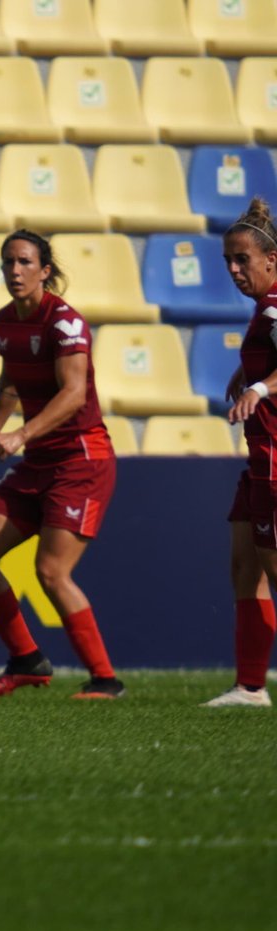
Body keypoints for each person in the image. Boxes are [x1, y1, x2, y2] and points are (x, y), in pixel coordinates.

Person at [0, 230, 124, 699]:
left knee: (51, 571)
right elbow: (10, 382)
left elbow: (73, 395)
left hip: (80, 459)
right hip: (38, 461)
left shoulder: (66, 322)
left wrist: (20, 435)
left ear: (45, 270)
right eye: (8, 262)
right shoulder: (4, 321)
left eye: (25, 262)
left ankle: (106, 681)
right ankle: (27, 660)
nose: (15, 271)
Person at [204, 197, 277, 707]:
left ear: (271, 261)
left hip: (275, 457)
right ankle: (251, 687)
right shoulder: (265, 308)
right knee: (243, 566)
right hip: (259, 458)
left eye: (242, 260)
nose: (233, 269)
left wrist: (263, 389)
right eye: (228, 260)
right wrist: (246, 375)